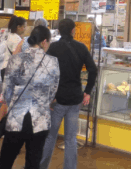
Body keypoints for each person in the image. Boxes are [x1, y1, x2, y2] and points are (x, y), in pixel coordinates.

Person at [0, 26, 60, 169]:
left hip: (16, 118)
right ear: (44, 42)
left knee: (6, 161)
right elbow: (53, 93)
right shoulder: (53, 62)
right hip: (39, 120)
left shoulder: (15, 59)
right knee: (33, 162)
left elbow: (7, 92)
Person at [40, 19, 98, 169]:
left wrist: (48, 95)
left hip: (56, 99)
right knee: (70, 139)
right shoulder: (81, 47)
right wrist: (87, 92)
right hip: (75, 99)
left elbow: (44, 73)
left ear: (58, 31)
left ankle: (41, 166)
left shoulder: (53, 48)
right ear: (73, 31)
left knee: (50, 137)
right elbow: (93, 69)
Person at [0, 15, 26, 139]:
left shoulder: (10, 37)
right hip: (12, 73)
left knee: (6, 102)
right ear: (19, 27)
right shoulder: (17, 40)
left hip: (5, 71)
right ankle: (3, 131)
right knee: (10, 103)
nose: (25, 28)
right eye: (24, 26)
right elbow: (19, 56)